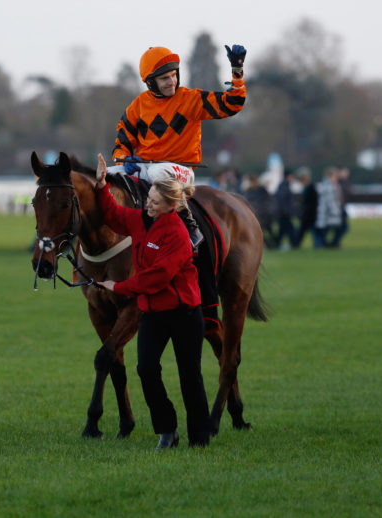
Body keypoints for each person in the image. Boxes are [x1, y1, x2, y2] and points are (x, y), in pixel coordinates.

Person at [94, 153, 210, 449]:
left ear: (171, 206)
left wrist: (117, 286)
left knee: (190, 376)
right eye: (148, 200)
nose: (148, 205)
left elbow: (156, 278)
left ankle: (199, 439)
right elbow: (113, 215)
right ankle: (167, 430)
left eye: (155, 203)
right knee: (146, 369)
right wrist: (101, 186)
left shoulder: (179, 235)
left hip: (184, 315)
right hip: (153, 314)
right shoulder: (140, 220)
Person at [109, 43, 247, 247]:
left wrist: (237, 71)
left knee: (159, 172)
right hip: (146, 168)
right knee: (107, 174)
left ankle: (191, 226)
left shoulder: (192, 99)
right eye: (165, 78)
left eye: (174, 75)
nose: (172, 81)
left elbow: (233, 103)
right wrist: (124, 158)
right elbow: (122, 143)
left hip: (180, 171)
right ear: (150, 82)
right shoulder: (136, 107)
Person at [243, 174, 275, 249]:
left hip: (261, 213)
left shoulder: (253, 191)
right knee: (263, 231)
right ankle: (272, 245)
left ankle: (273, 245)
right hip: (259, 214)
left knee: (266, 231)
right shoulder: (253, 190)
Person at [314, 167, 342, 248]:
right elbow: (330, 201)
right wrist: (336, 211)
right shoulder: (329, 186)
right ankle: (329, 244)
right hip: (328, 213)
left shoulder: (325, 185)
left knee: (323, 230)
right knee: (325, 230)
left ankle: (324, 244)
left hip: (325, 213)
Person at [295, 169, 318, 249]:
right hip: (309, 214)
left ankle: (296, 245)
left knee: (309, 231)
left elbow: (310, 203)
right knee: (311, 231)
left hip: (309, 214)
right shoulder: (309, 187)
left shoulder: (310, 188)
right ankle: (318, 245)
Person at [274, 172, 297, 251]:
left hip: (283, 213)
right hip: (284, 213)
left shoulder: (284, 185)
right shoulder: (284, 186)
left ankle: (276, 243)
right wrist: (286, 211)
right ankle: (294, 244)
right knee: (289, 229)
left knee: (283, 230)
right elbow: (282, 200)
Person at [329, 167, 350, 248]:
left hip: (341, 208)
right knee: (342, 227)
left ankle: (334, 242)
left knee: (342, 227)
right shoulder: (337, 183)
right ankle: (334, 243)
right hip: (337, 208)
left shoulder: (342, 183)